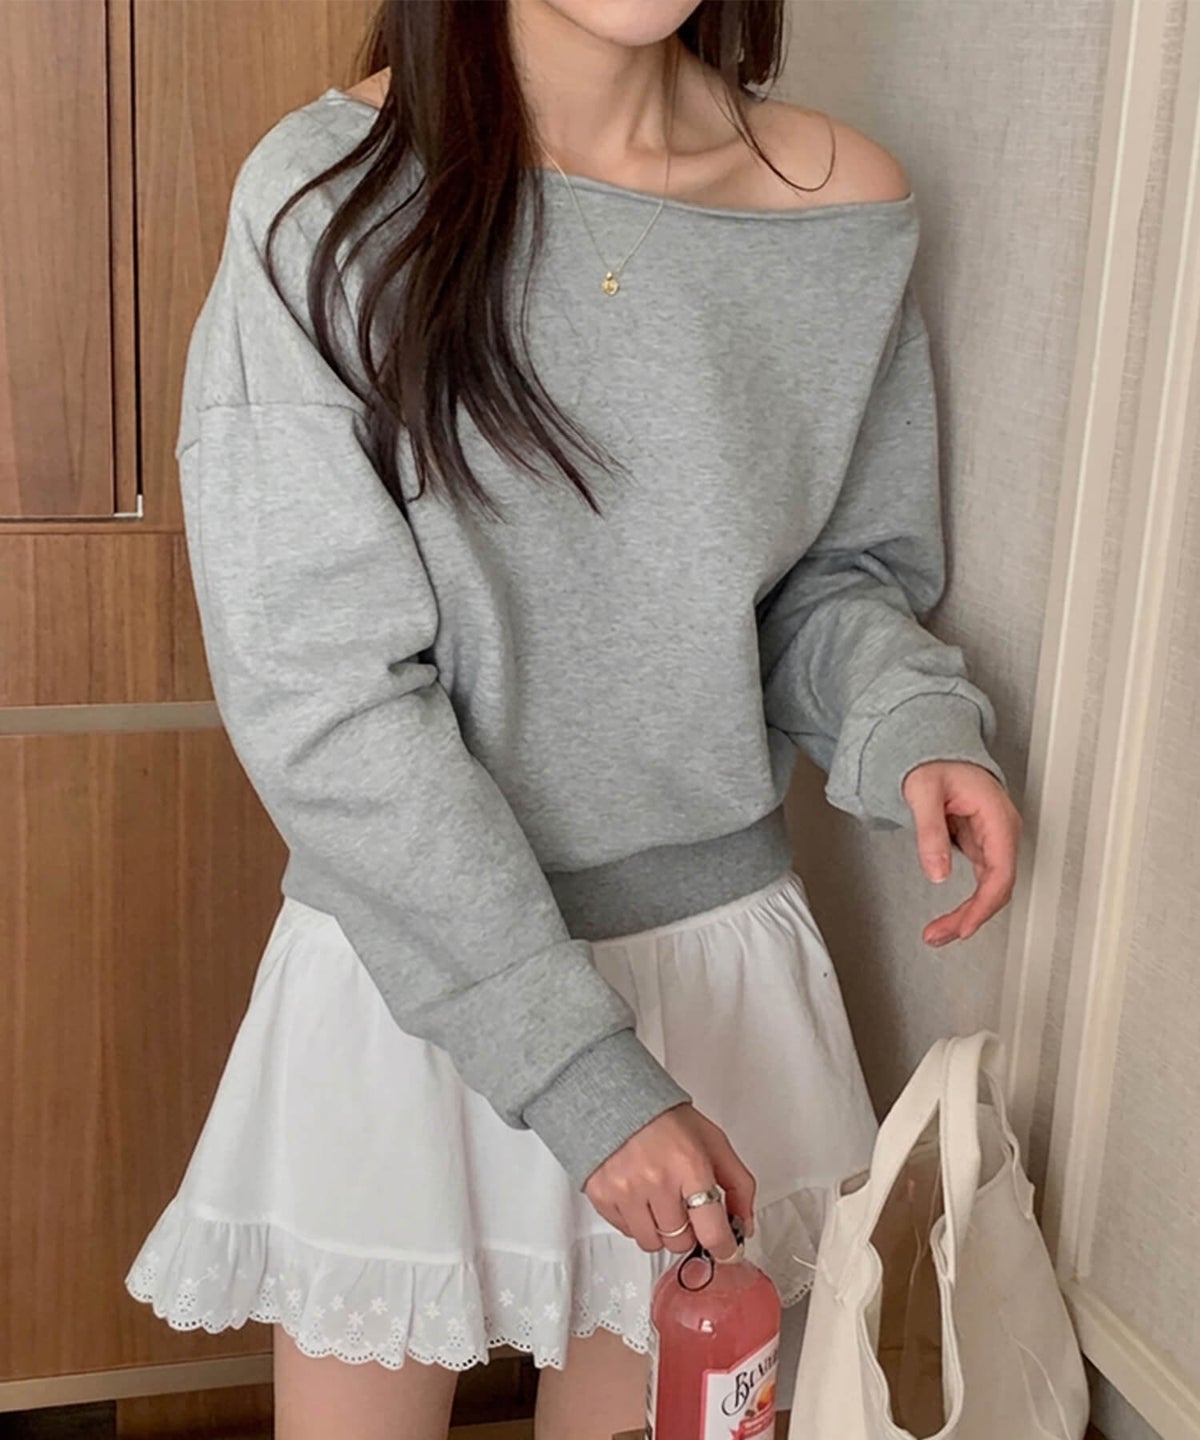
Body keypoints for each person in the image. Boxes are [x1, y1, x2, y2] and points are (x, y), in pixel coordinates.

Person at [124, 1, 1022, 1436]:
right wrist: (578, 1070)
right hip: (422, 964)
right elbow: (324, 692)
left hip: (715, 962)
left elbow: (826, 580)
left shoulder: (834, 204)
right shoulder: (326, 196)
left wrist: (911, 720)